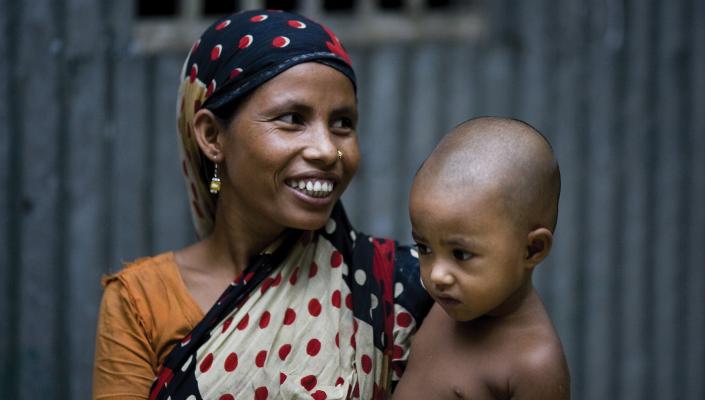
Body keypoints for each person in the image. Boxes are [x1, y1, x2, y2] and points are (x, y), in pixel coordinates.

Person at [92, 9, 431, 400]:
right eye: (292, 118)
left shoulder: (400, 288)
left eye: (342, 123)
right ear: (212, 136)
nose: (327, 150)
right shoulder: (142, 302)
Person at [392, 117, 570, 399]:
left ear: (532, 249)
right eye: (424, 248)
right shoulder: (443, 306)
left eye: (461, 254)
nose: (436, 275)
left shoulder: (533, 365)